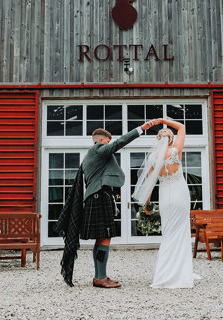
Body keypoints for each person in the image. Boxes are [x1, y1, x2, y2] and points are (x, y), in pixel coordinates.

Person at [55, 120, 156, 288]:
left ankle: (100, 276)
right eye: (108, 142)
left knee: (102, 238)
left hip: (97, 197)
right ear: (101, 140)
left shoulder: (91, 154)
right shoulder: (97, 149)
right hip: (99, 198)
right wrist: (141, 129)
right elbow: (119, 143)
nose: (109, 146)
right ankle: (100, 277)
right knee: (105, 237)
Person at [132, 118, 200, 288]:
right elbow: (182, 127)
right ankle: (181, 273)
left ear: (158, 140)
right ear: (171, 139)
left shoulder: (152, 158)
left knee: (168, 233)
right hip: (180, 194)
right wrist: (162, 120)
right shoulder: (176, 151)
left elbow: (149, 183)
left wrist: (146, 204)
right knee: (181, 231)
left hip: (165, 196)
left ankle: (164, 274)